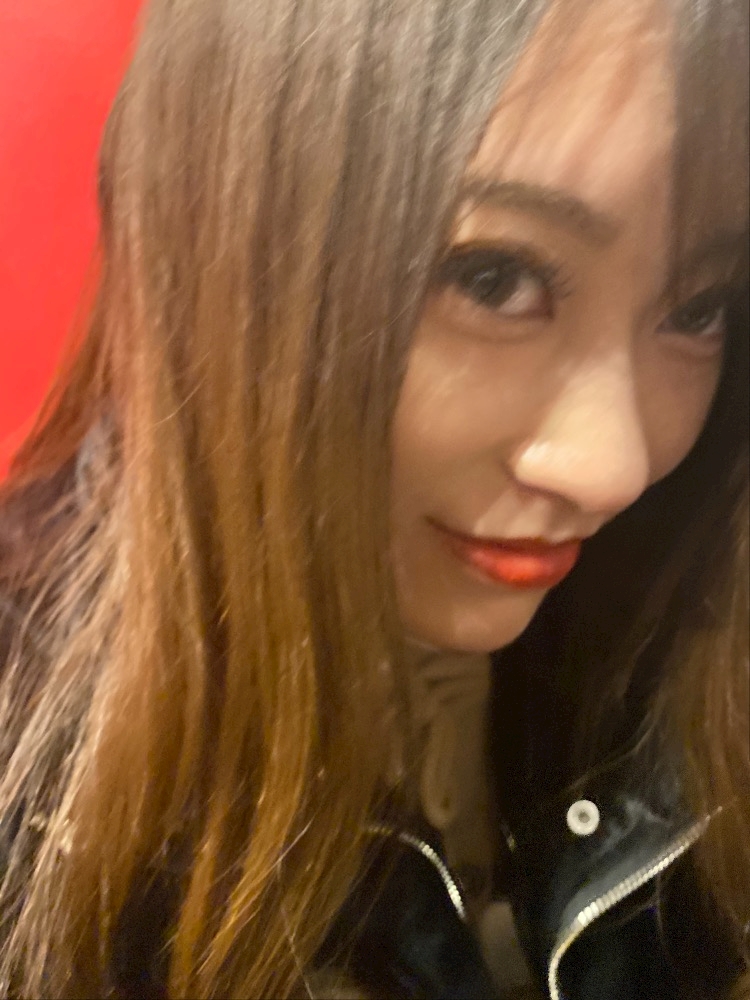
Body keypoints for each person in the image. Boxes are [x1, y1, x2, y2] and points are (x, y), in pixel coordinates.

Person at [0, 0, 747, 997]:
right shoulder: (27, 775)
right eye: (494, 279)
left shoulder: (688, 623)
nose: (612, 464)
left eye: (698, 307)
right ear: (223, 236)